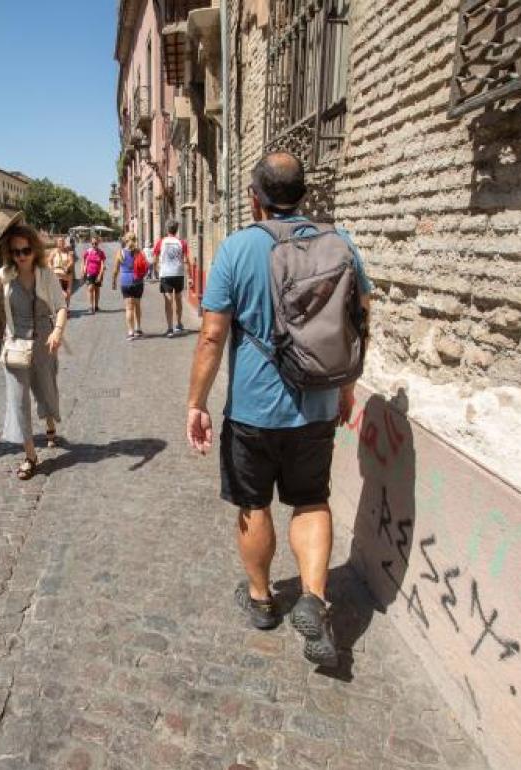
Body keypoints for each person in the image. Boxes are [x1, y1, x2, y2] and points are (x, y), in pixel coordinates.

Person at [185, 152, 374, 668]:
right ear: (304, 195)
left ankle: (263, 599)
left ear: (255, 197)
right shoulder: (341, 244)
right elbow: (360, 316)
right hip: (315, 405)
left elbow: (211, 335)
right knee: (311, 500)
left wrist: (196, 403)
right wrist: (347, 386)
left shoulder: (238, 249)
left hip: (253, 411)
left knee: (255, 504)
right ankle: (314, 596)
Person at [0, 211, 68, 481]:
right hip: (15, 346)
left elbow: (61, 307)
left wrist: (58, 332)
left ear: (34, 249)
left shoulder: (45, 274)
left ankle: (49, 423)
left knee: (46, 391)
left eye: (26, 250)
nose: (21, 256)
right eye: (15, 252)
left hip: (44, 343)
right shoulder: (7, 273)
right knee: (18, 402)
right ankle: (30, 455)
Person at [153, 221, 190, 337]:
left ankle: (170, 328)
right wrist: (190, 276)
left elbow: (155, 258)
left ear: (167, 229)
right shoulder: (182, 242)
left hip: (166, 274)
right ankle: (179, 324)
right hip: (178, 273)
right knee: (178, 299)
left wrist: (156, 269)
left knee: (168, 301)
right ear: (177, 230)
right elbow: (186, 260)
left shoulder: (161, 242)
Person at [111, 233, 147, 340]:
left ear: (125, 240)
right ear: (135, 240)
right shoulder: (138, 251)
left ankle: (130, 332)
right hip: (138, 281)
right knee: (137, 305)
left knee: (129, 308)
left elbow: (115, 270)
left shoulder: (120, 252)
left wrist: (113, 282)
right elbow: (145, 265)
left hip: (125, 281)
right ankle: (138, 328)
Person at [81, 236, 107, 314]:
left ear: (98, 243)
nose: (94, 245)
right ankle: (90, 306)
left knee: (97, 289)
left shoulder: (101, 252)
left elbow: (103, 264)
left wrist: (100, 274)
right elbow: (83, 261)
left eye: (95, 243)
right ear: (90, 243)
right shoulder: (88, 251)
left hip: (98, 273)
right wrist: (82, 270)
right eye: (92, 243)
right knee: (90, 288)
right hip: (89, 272)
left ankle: (96, 306)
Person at [50, 236, 75, 309]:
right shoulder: (54, 252)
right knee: (62, 293)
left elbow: (71, 261)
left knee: (68, 292)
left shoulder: (68, 252)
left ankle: (66, 308)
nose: (61, 243)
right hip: (57, 274)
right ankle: (61, 307)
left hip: (67, 274)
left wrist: (67, 267)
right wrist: (51, 268)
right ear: (57, 243)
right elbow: (49, 261)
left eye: (62, 241)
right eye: (59, 241)